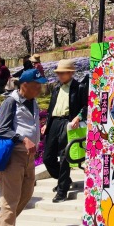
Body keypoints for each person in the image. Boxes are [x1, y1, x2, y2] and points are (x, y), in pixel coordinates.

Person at [0, 68, 46, 226]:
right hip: (14, 155)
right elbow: (2, 130)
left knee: (26, 193)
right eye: (36, 85)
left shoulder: (32, 101)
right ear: (25, 85)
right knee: (10, 199)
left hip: (29, 156)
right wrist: (23, 138)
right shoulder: (10, 102)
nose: (40, 89)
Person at [43, 59, 87, 203]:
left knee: (64, 157)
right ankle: (65, 180)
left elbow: (86, 106)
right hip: (54, 122)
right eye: (58, 73)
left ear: (70, 73)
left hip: (68, 123)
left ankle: (62, 190)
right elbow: (51, 109)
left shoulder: (79, 87)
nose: (60, 76)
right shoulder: (56, 88)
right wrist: (46, 124)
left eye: (62, 73)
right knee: (47, 157)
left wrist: (78, 117)